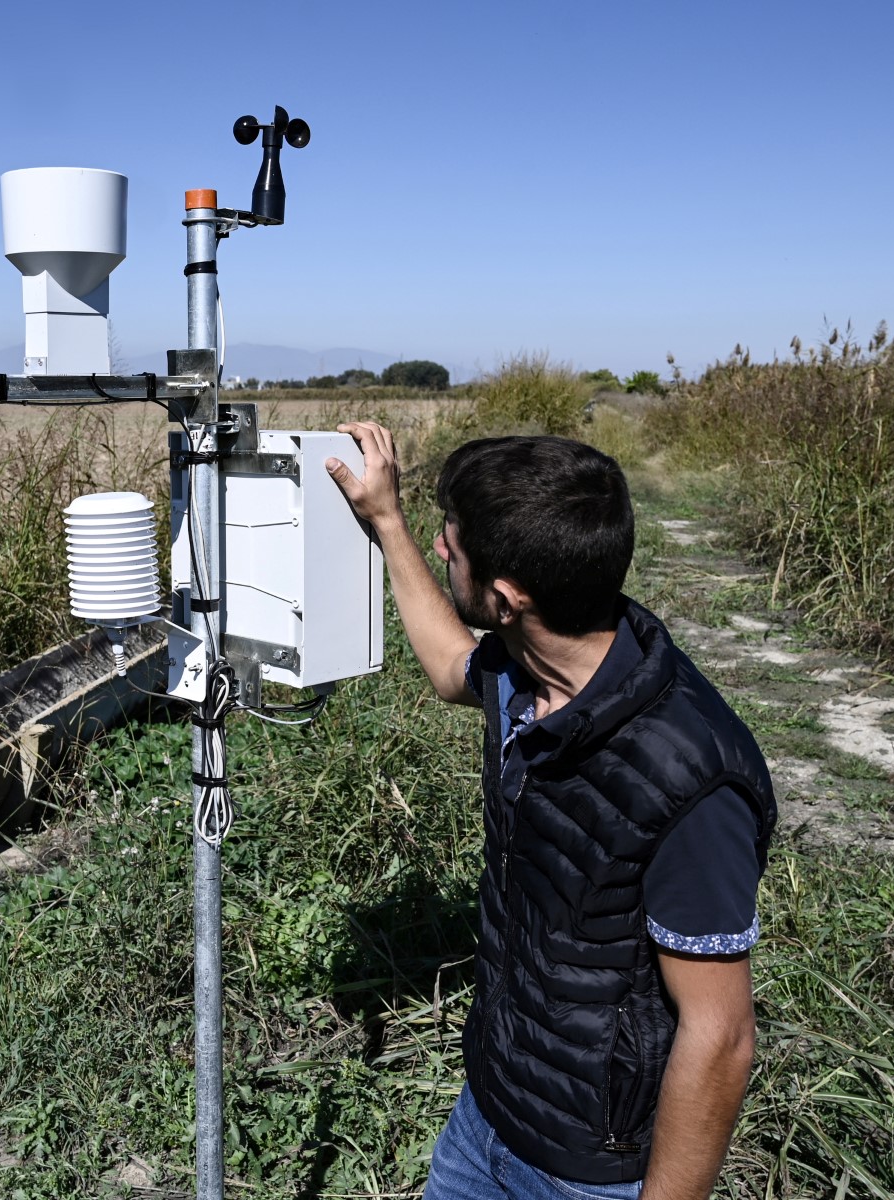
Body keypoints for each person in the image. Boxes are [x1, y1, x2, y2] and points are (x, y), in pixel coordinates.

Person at [324, 425, 775, 1200]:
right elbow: (446, 666)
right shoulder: (524, 670)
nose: (442, 550)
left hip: (586, 1173)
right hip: (487, 1116)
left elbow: (721, 1035)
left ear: (504, 598)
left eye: (452, 546)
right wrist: (387, 522)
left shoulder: (690, 776)